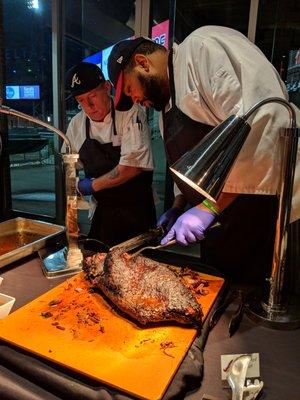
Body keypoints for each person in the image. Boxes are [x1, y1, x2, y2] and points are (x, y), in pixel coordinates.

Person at [107, 26, 300, 282]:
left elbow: (262, 124)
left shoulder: (201, 50)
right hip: (222, 223)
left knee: (260, 300)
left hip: (266, 212)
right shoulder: (167, 107)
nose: (136, 100)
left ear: (142, 63)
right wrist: (179, 206)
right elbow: (189, 166)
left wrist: (209, 207)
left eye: (131, 90)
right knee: (219, 298)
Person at [63, 62, 156, 248]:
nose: (89, 106)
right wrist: (72, 216)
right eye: (81, 100)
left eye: (92, 96)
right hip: (103, 211)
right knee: (97, 263)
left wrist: (90, 185)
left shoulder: (130, 112)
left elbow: (131, 168)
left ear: (107, 87)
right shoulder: (76, 124)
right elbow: (70, 168)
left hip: (137, 211)